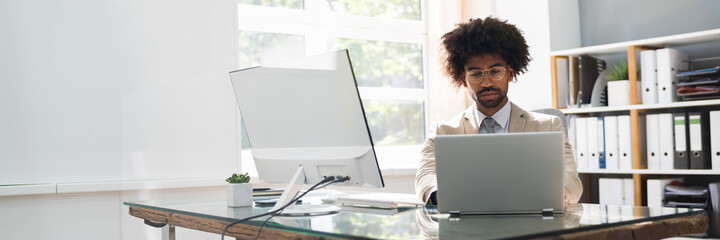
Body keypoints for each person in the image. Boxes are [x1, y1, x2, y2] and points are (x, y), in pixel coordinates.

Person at [415, 17, 583, 205]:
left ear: (510, 73)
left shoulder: (548, 126)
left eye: (495, 72)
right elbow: (425, 178)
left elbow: (572, 183)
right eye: (476, 74)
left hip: (530, 223)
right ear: (463, 79)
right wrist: (445, 194)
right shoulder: (442, 132)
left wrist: (534, 197)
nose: (487, 83)